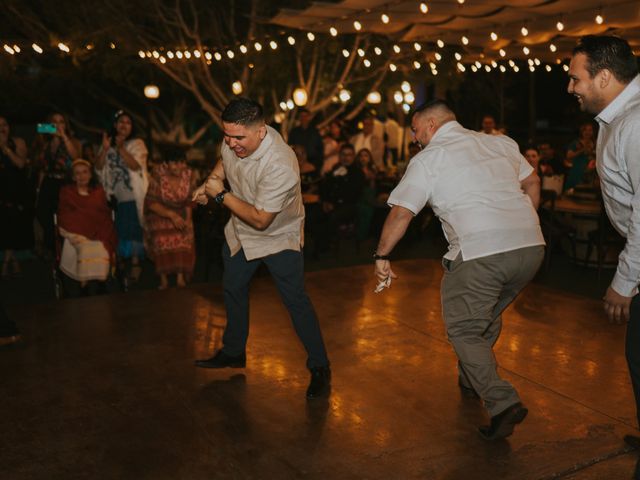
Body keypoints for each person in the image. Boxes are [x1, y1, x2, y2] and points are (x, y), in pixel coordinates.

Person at [374, 100, 544, 440]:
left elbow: (401, 214)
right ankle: (471, 377)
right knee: (488, 314)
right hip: (531, 248)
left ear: (432, 124)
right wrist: (524, 222)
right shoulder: (499, 142)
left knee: (464, 328)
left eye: (416, 128)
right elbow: (533, 182)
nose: (414, 136)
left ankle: (501, 402)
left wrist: (380, 255)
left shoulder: (428, 159)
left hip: (481, 252)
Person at [192, 98, 331, 399]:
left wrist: (219, 196)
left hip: (277, 235)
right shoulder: (235, 138)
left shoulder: (281, 164)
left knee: (295, 301)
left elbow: (261, 219)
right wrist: (210, 183)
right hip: (241, 230)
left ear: (261, 131)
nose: (230, 142)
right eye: (227, 135)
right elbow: (223, 162)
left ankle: (320, 366)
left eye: (238, 137)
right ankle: (233, 351)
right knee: (233, 287)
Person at [567, 35, 640, 458]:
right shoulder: (616, 118)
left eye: (576, 78)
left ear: (605, 76)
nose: (570, 87)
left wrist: (624, 281)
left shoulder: (634, 123)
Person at [95, 110, 149, 282]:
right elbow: (97, 168)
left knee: (134, 229)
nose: (123, 125)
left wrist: (120, 148)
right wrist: (105, 149)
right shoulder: (107, 144)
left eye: (128, 122)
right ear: (115, 125)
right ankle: (119, 264)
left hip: (134, 195)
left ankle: (135, 265)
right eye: (120, 122)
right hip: (114, 197)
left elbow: (136, 166)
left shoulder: (137, 144)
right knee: (118, 230)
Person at [57, 159, 117, 293]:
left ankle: (95, 283)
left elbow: (102, 215)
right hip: (75, 231)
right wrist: (83, 221)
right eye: (77, 173)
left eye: (85, 172)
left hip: (99, 231)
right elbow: (65, 215)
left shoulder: (98, 192)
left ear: (90, 175)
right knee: (86, 247)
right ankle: (85, 280)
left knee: (100, 247)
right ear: (72, 177)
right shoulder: (67, 192)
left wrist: (88, 220)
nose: (82, 176)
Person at [144, 150, 196, 290]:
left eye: (182, 163)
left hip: (181, 213)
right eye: (174, 163)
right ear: (166, 164)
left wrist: (188, 222)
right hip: (160, 213)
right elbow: (150, 202)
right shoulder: (157, 176)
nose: (179, 166)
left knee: (183, 236)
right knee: (161, 239)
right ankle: (164, 279)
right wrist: (171, 215)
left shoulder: (189, 175)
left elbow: (190, 202)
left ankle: (180, 277)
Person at [34, 112, 82, 256]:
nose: (57, 124)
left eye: (61, 121)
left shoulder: (72, 141)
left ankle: (64, 248)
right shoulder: (45, 143)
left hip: (65, 183)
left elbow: (76, 157)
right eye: (54, 122)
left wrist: (64, 137)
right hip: (48, 182)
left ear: (65, 125)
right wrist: (38, 189)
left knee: (65, 217)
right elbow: (41, 167)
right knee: (43, 214)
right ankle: (52, 246)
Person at [0, 116, 32, 277]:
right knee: (4, 227)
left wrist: (6, 149)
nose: (2, 127)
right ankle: (13, 261)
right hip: (2, 190)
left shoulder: (18, 142)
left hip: (16, 189)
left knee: (13, 224)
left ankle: (6, 263)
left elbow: (20, 164)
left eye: (4, 124)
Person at [563, 122, 597, 191]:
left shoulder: (595, 143)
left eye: (590, 130)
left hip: (591, 172)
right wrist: (582, 150)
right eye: (585, 130)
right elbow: (568, 156)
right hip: (577, 171)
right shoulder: (576, 143)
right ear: (581, 132)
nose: (587, 132)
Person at [288, 108, 324, 172]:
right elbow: (289, 147)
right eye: (302, 116)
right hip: (296, 163)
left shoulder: (315, 132)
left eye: (305, 116)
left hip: (312, 163)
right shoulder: (294, 132)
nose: (303, 118)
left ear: (309, 117)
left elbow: (320, 149)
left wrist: (316, 165)